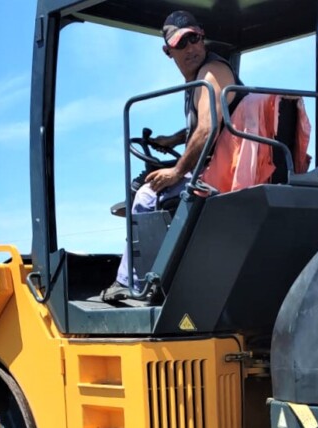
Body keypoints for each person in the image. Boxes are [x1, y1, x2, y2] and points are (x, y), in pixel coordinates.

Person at [100, 10, 241, 303]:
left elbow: (206, 128)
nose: (191, 47)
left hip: (223, 172)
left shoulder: (211, 73)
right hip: (221, 164)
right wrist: (175, 139)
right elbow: (206, 120)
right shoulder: (199, 80)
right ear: (169, 51)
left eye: (194, 38)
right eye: (182, 43)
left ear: (202, 38)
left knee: (145, 196)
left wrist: (176, 172)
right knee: (148, 184)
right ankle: (159, 271)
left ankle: (133, 284)